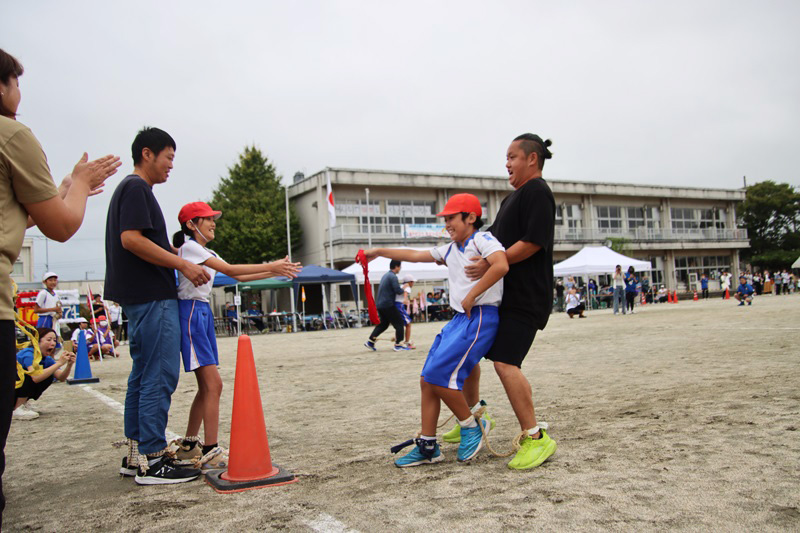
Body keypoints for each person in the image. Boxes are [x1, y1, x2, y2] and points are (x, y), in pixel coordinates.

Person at [0, 48, 120, 526]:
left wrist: (67, 184)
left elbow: (22, 207)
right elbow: (63, 225)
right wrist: (79, 186)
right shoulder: (12, 134)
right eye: (15, 82)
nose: (19, 93)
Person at [364, 193, 508, 466]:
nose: (447, 224)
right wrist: (379, 251)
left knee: (437, 375)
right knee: (426, 378)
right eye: (446, 220)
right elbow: (415, 255)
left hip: (479, 317)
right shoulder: (451, 248)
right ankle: (429, 445)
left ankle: (471, 426)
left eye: (451, 218)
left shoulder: (482, 240)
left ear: (471, 217)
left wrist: (472, 295)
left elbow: (501, 265)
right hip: (459, 319)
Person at [104, 127, 208, 485]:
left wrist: (174, 255)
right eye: (169, 157)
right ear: (147, 154)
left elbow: (136, 241)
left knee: (142, 374)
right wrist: (182, 264)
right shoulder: (136, 188)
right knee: (159, 374)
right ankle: (153, 456)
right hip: (152, 297)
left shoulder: (128, 190)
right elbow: (131, 239)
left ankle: (136, 454)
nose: (170, 166)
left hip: (138, 297)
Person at [169, 201, 300, 470]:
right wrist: (272, 266)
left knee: (207, 386)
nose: (213, 223)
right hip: (191, 312)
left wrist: (272, 269)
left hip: (200, 312)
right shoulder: (190, 247)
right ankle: (210, 449)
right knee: (214, 385)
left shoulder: (204, 250)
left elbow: (235, 275)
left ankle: (190, 445)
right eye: (207, 219)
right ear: (191, 224)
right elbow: (230, 271)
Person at [460, 133, 558, 470]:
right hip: (504, 297)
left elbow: (532, 242)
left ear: (532, 159)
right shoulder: (513, 198)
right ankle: (474, 420)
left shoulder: (538, 193)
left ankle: (535, 437)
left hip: (526, 296)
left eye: (512, 156)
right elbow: (492, 242)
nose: (507, 163)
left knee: (505, 362)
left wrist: (489, 263)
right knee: (468, 351)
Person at [13, 328, 76, 420]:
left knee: (48, 375)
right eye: (49, 339)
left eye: (54, 340)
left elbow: (61, 377)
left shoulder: (46, 358)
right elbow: (35, 377)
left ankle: (22, 404)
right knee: (28, 375)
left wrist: (69, 365)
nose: (53, 343)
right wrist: (59, 363)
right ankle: (17, 408)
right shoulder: (28, 353)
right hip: (6, 390)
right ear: (37, 341)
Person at [364, 260, 409, 352]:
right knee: (399, 323)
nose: (400, 269)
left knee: (383, 324)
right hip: (388, 304)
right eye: (400, 267)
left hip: (380, 304)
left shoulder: (385, 275)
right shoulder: (393, 277)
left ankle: (370, 341)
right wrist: (404, 288)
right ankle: (398, 344)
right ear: (396, 266)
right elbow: (398, 291)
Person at [396, 274, 416, 349]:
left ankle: (398, 342)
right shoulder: (407, 286)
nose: (413, 284)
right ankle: (407, 342)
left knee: (399, 325)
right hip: (399, 305)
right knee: (408, 324)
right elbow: (405, 292)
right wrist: (405, 299)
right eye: (413, 282)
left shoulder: (400, 286)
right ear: (410, 282)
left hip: (395, 305)